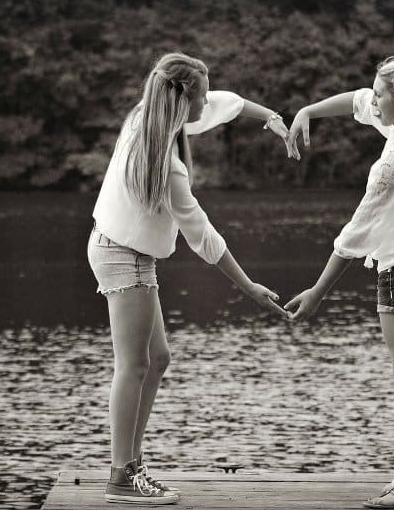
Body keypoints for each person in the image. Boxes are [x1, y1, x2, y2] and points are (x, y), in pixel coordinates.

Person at [88, 52, 289, 504]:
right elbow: (204, 237)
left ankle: (132, 466)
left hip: (122, 251)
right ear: (182, 101)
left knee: (157, 360)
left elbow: (223, 103)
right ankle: (121, 476)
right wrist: (249, 287)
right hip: (126, 258)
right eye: (199, 96)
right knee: (135, 365)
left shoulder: (146, 116)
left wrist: (270, 117)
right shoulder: (166, 163)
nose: (205, 106)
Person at [284, 56, 394, 509]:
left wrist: (318, 292)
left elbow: (356, 234)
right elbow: (359, 102)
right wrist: (309, 112)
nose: (371, 98)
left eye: (380, 93)